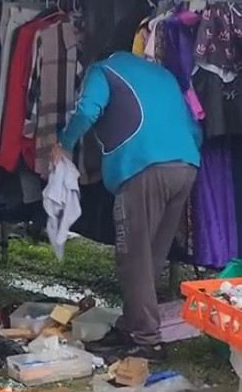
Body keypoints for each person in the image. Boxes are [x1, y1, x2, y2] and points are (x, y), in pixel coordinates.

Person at [52, 39, 202, 362]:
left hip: (143, 168)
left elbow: (88, 109)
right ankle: (132, 326)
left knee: (132, 255)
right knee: (152, 255)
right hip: (186, 166)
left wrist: (63, 144)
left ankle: (147, 339)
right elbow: (194, 127)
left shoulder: (103, 70)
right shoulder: (163, 76)